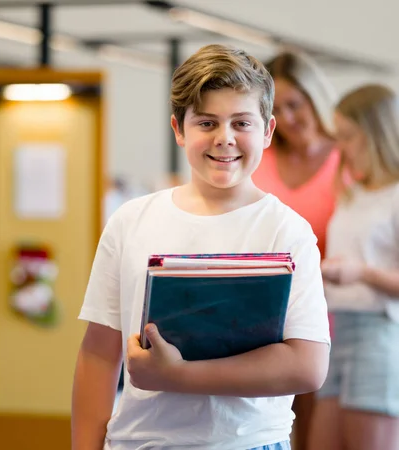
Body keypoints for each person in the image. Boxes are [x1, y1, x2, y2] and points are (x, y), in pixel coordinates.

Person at [71, 43, 330, 450]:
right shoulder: (130, 221)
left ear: (267, 131)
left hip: (250, 443)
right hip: (142, 442)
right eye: (207, 123)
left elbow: (307, 366)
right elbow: (99, 354)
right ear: (178, 129)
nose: (224, 139)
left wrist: (176, 375)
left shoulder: (288, 231)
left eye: (241, 123)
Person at [251, 51, 339, 450]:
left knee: (318, 425)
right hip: (264, 307)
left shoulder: (348, 158)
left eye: (295, 104)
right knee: (269, 421)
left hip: (330, 307)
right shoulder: (260, 158)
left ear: (315, 98)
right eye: (277, 108)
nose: (286, 117)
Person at [308, 84, 399, 450]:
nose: (340, 148)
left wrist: (361, 273)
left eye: (348, 136)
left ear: (375, 134)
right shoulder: (353, 194)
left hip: (379, 333)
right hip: (337, 331)